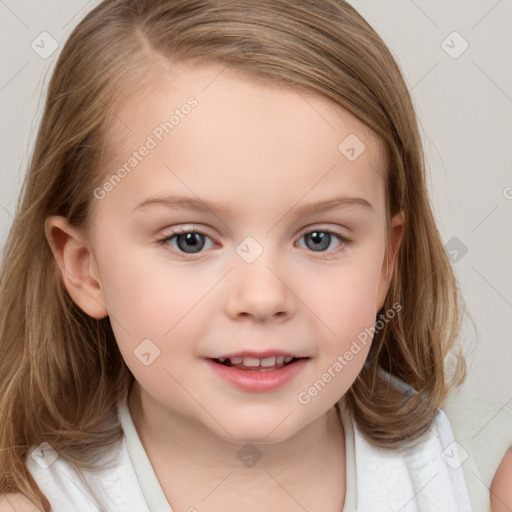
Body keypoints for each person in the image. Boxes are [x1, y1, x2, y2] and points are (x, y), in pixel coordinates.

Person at [0, 1, 510, 511]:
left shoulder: (483, 476)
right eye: (190, 240)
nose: (263, 297)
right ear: (84, 268)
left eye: (319, 238)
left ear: (384, 262)